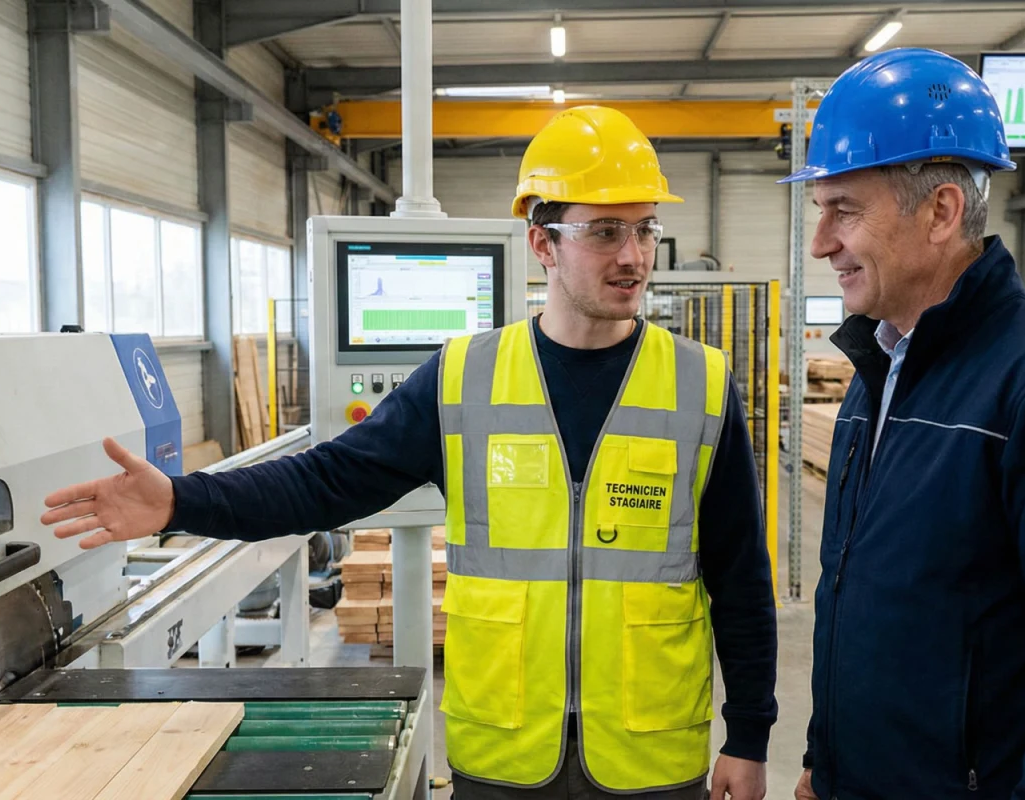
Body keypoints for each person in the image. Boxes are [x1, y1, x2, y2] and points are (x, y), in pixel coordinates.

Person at [40, 105, 776, 800]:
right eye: (606, 231)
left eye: (644, 229)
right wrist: (181, 500)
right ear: (542, 243)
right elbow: (324, 482)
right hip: (505, 755)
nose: (635, 256)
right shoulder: (463, 379)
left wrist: (748, 735)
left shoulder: (699, 384)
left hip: (651, 756)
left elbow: (740, 575)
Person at [778, 49, 1025, 799]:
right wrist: (825, 757)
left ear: (942, 211)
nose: (821, 242)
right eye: (820, 210)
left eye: (843, 210)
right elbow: (852, 592)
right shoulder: (880, 365)